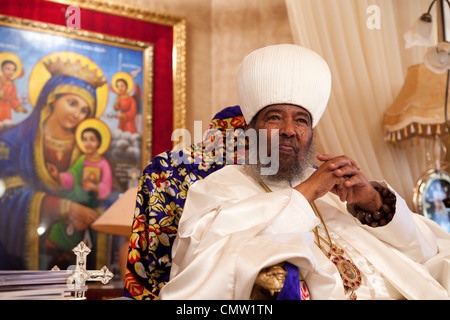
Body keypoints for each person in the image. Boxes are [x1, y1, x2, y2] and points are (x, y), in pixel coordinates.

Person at [158, 44, 450, 300]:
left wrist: (374, 203)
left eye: (301, 121)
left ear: (311, 133)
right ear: (250, 131)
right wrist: (308, 190)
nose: (289, 131)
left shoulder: (338, 193)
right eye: (274, 118)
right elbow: (207, 269)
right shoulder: (218, 188)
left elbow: (426, 251)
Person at [0, 55, 106, 270]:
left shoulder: (88, 149)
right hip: (23, 255)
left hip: (75, 242)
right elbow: (8, 194)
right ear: (51, 98)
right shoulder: (12, 141)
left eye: (85, 110)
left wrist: (98, 211)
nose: (78, 114)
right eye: (72, 103)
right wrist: (64, 207)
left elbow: (101, 192)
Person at [0, 56, 28, 121]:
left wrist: (19, 108)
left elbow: (13, 99)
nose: (11, 72)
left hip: (5, 110)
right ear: (2, 69)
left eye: (13, 70)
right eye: (8, 68)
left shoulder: (12, 85)